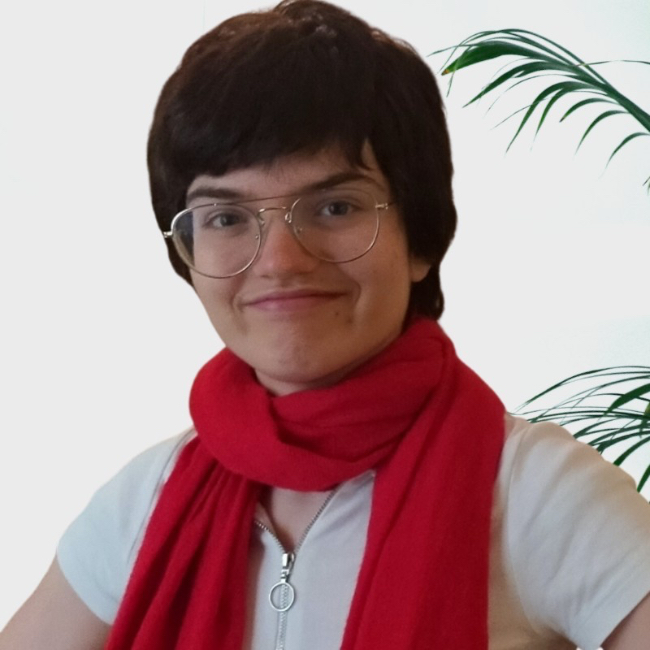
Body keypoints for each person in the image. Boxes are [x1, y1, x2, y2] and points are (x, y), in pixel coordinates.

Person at [2, 1, 650, 648]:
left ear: (421, 237)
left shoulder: (536, 492)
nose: (281, 261)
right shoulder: (145, 500)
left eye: (335, 207)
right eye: (226, 218)